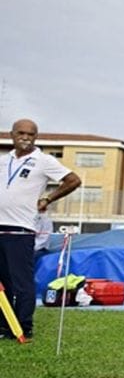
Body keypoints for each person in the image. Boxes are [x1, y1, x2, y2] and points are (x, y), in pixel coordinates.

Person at [0, 119, 81, 339]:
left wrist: (48, 198)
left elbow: (73, 180)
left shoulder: (43, 161)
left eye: (31, 134)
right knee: (2, 283)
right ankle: (5, 325)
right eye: (21, 133)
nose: (25, 137)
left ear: (36, 137)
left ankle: (23, 326)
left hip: (22, 228)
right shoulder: (3, 160)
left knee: (21, 282)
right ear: (12, 134)